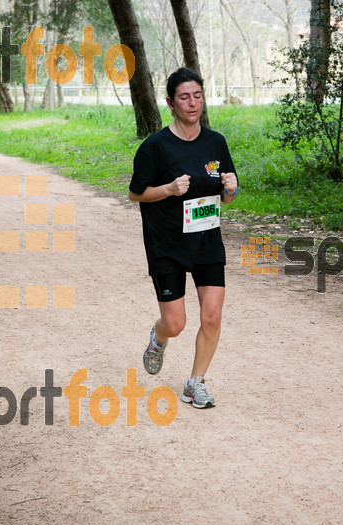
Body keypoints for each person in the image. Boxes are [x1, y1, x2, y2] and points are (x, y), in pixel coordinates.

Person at [129, 67, 239, 409]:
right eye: (184, 97)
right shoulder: (155, 147)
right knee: (176, 323)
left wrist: (231, 190)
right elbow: (136, 194)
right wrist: (168, 189)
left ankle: (195, 383)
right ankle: (158, 338)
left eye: (197, 96)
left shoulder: (215, 141)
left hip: (205, 240)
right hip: (166, 243)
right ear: (170, 103)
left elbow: (225, 194)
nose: (192, 103)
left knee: (213, 316)